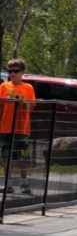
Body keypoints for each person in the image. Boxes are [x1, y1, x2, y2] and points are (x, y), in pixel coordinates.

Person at [0, 58, 36, 194]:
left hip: (22, 129)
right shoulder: (4, 86)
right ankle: (8, 184)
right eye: (10, 71)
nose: (12, 73)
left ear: (22, 72)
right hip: (6, 127)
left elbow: (32, 105)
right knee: (6, 156)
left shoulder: (28, 87)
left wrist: (25, 103)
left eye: (15, 71)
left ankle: (24, 184)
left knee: (23, 156)